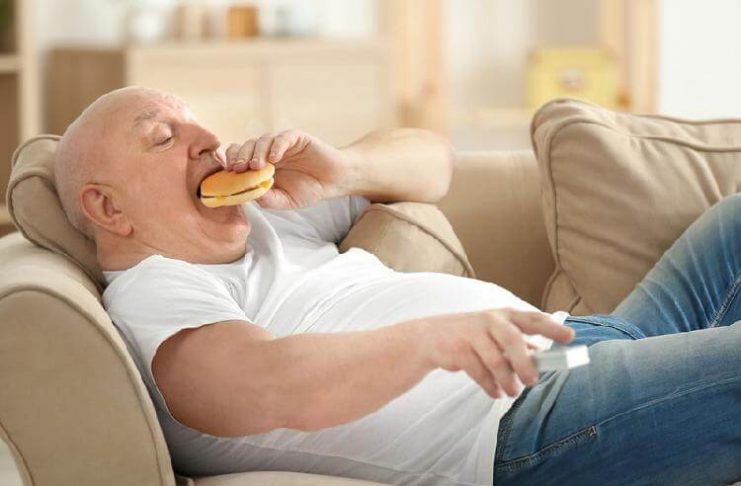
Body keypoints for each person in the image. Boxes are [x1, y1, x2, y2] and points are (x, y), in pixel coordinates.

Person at [52, 87, 740, 486]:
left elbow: (434, 162)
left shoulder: (268, 217)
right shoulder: (156, 291)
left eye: (197, 122)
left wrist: (342, 170)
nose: (207, 139)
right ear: (108, 208)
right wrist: (429, 343)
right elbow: (261, 384)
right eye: (162, 137)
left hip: (576, 347)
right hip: (527, 425)